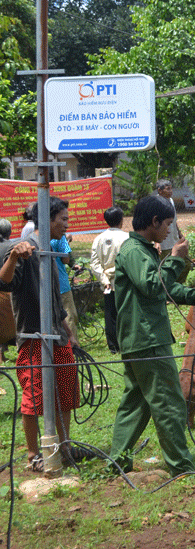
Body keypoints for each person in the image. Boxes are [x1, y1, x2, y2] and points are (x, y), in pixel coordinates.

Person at [107, 195, 195, 477]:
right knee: (169, 403)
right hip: (148, 339)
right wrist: (175, 260)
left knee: (136, 404)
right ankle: (181, 467)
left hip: (140, 339)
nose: (169, 230)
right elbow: (153, 285)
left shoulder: (144, 250)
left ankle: (116, 462)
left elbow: (165, 288)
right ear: (154, 222)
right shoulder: (134, 251)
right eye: (167, 224)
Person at [0, 196, 78, 473]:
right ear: (47, 220)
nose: (66, 226)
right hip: (33, 337)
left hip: (57, 332)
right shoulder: (24, 249)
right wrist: (13, 256)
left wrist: (66, 327)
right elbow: (4, 281)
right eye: (63, 220)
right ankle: (35, 454)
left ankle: (65, 446)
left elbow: (54, 298)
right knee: (35, 397)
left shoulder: (50, 249)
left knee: (66, 389)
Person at [89, 206, 129, 354]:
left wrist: (104, 278)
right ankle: (125, 343)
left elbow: (94, 263)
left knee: (110, 313)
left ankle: (113, 346)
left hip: (107, 283)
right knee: (124, 312)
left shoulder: (98, 239)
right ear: (121, 220)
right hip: (122, 281)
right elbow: (126, 261)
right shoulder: (126, 238)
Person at [50, 232, 79, 348]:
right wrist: (66, 242)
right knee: (69, 316)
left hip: (43, 285)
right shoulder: (59, 235)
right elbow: (66, 259)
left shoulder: (30, 233)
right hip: (61, 284)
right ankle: (73, 348)